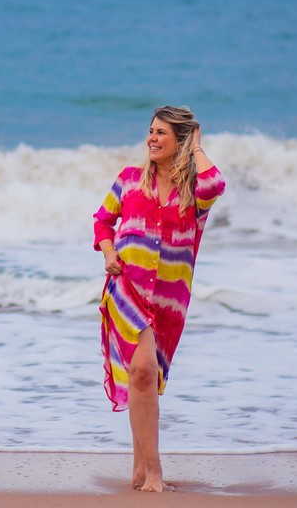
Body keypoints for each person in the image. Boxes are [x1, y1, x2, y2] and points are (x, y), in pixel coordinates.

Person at [93, 106, 226, 492]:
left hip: (169, 304)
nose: (152, 138)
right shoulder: (129, 180)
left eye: (162, 133)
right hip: (127, 292)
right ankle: (154, 472)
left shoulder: (194, 194)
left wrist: (196, 147)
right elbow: (102, 220)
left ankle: (138, 467)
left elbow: (216, 183)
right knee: (142, 371)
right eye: (151, 131)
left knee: (145, 379)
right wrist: (109, 252)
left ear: (180, 140)